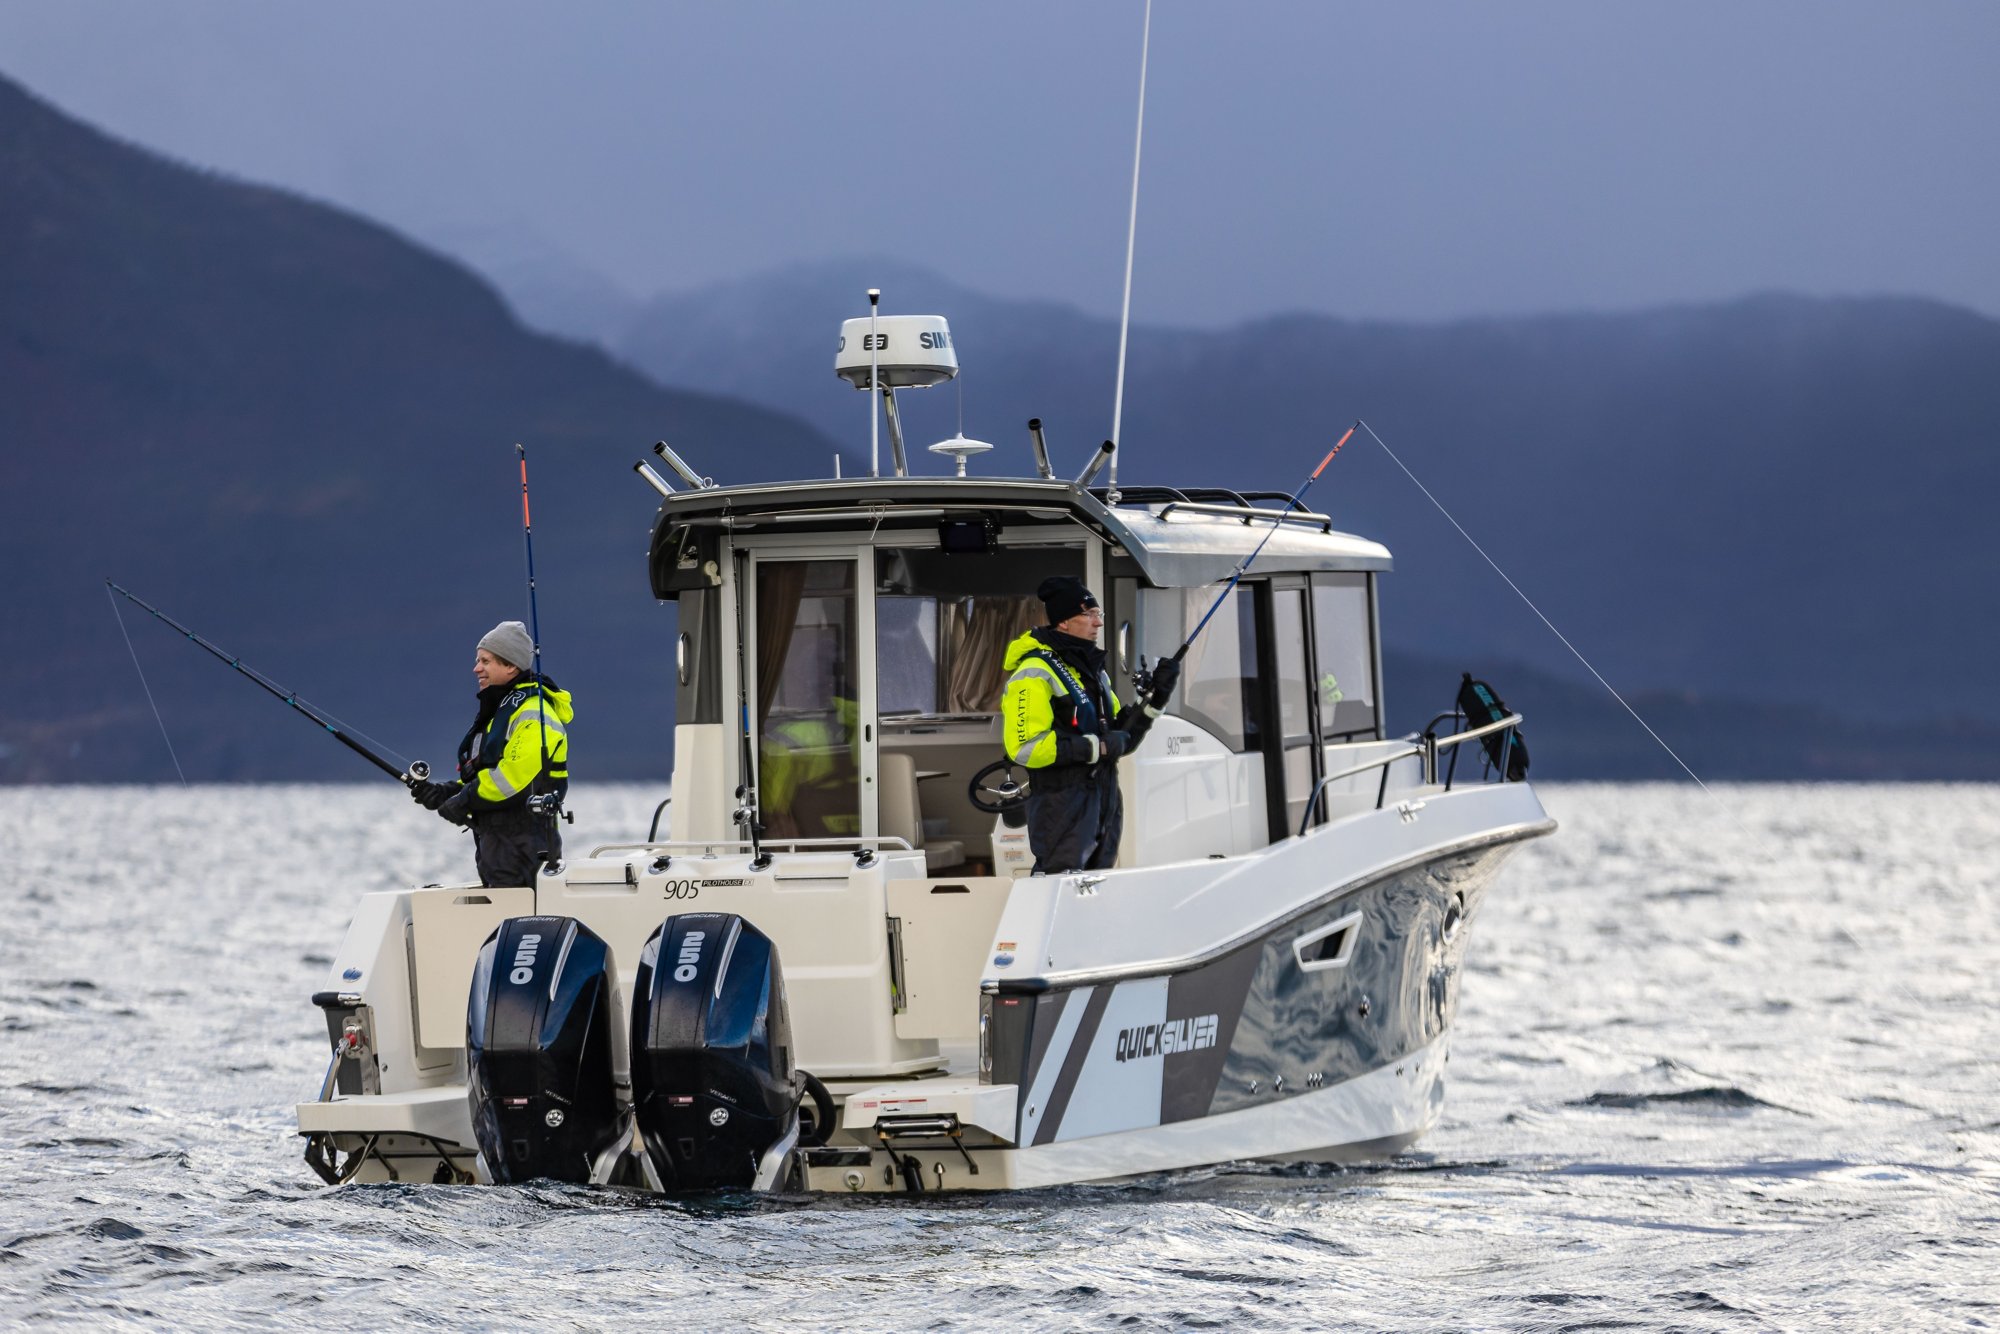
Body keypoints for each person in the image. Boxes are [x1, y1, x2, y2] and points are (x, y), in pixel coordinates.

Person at [1001, 576, 1178, 874]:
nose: (1098, 623)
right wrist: (1099, 747)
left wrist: (1156, 698)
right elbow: (1025, 747)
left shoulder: (1091, 671)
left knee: (1098, 886)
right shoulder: (1035, 671)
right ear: (1064, 622)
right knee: (1061, 883)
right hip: (1061, 803)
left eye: (1099, 615)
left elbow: (1121, 738)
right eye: (1089, 614)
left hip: (1102, 797)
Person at [409, 620, 573, 887]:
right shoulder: (503, 711)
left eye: (485, 661)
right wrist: (446, 793)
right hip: (499, 846)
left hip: (524, 848)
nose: (476, 668)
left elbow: (511, 778)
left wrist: (463, 800)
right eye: (478, 660)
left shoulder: (535, 714)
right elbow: (489, 772)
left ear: (510, 665)